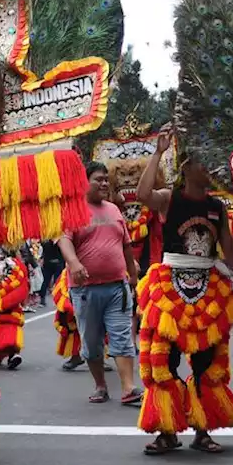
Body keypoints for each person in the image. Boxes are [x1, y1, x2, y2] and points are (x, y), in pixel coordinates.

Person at [135, 132, 233, 455]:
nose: (209, 168)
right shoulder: (171, 198)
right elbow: (143, 194)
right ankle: (166, 430)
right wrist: (158, 153)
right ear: (187, 166)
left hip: (206, 289)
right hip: (169, 290)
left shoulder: (217, 208)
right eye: (203, 162)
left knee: (206, 361)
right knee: (163, 360)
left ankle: (202, 429)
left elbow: (229, 250)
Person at [60, 162, 141, 407]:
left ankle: (128, 388)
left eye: (106, 179)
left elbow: (126, 245)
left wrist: (133, 275)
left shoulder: (115, 210)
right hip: (85, 290)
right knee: (92, 341)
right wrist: (74, 263)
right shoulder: (72, 211)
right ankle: (100, 386)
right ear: (84, 182)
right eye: (99, 179)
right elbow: (64, 241)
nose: (105, 183)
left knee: (122, 336)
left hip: (117, 287)